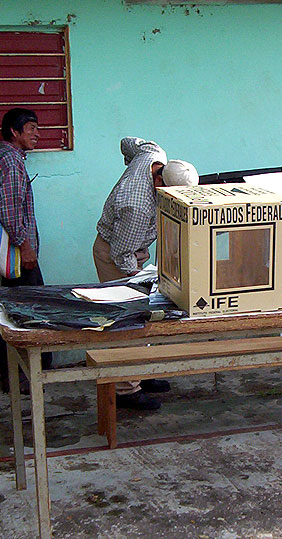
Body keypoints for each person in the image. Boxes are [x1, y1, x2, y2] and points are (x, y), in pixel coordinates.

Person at [94, 137, 198, 410]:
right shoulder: (136, 207)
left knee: (147, 315)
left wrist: (129, 168)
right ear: (159, 183)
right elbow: (120, 255)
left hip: (131, 246)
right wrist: (142, 277)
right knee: (128, 322)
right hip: (115, 254)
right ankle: (125, 390)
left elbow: (127, 142)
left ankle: (143, 372)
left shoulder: (152, 154)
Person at [0, 108, 52, 393]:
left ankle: (15, 376)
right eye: (31, 128)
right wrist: (26, 247)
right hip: (17, 253)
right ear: (14, 131)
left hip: (9, 253)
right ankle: (25, 377)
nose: (37, 134)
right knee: (29, 314)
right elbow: (9, 212)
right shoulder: (10, 162)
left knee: (11, 311)